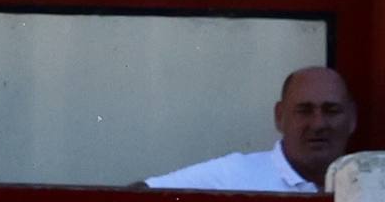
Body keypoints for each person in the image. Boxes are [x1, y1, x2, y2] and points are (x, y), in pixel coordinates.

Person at [144, 65, 359, 190]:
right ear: (279, 116)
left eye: (331, 110)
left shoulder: (374, 182)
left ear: (352, 119)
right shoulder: (233, 176)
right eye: (304, 110)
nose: (318, 124)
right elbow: (134, 197)